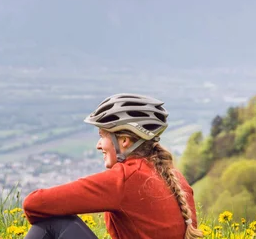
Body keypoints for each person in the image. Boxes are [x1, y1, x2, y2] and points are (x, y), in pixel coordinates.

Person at [22, 93, 202, 239]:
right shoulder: (175, 177)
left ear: (124, 140)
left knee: (53, 223)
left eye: (102, 136)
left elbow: (34, 203)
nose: (98, 145)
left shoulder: (126, 178)